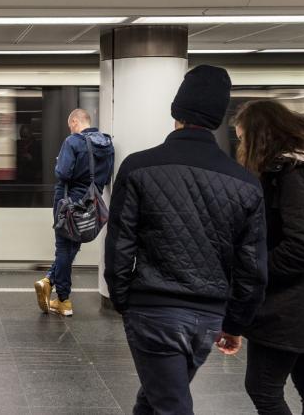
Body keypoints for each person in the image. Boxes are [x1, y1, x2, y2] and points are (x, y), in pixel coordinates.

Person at [104, 65, 268, 415]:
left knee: (168, 403)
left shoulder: (138, 167)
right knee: (156, 397)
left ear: (176, 111)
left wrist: (122, 299)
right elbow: (252, 267)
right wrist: (235, 322)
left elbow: (120, 245)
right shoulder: (245, 183)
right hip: (208, 316)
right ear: (217, 119)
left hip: (152, 311)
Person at [234, 100, 304, 415]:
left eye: (243, 139)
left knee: (263, 388)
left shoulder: (293, 174)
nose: (242, 147)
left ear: (261, 137)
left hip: (289, 306)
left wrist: (259, 270)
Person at [34, 109, 113, 316]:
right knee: (73, 245)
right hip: (91, 201)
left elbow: (63, 173)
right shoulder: (106, 143)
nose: (71, 129)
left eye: (71, 125)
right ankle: (49, 280)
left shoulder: (72, 141)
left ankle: (63, 300)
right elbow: (106, 176)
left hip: (67, 201)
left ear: (76, 121)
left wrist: (60, 161)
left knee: (63, 246)